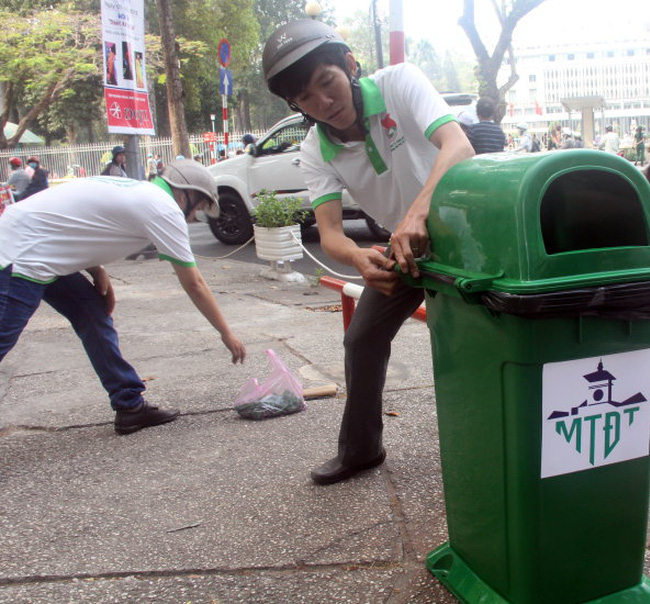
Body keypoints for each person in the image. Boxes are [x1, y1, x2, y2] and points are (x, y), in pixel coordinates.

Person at [263, 20, 474, 485]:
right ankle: (361, 449)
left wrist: (419, 211)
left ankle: (490, 443)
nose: (324, 103)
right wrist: (360, 259)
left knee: (477, 341)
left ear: (349, 65)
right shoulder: (316, 151)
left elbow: (458, 145)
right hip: (406, 250)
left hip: (471, 235)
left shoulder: (400, 83)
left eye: (328, 83)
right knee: (361, 339)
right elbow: (332, 235)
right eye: (306, 98)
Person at [0, 159, 246, 435]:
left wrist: (97, 269)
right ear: (184, 193)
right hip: (19, 255)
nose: (192, 218)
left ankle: (129, 405)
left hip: (34, 244)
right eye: (198, 208)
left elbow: (72, 223)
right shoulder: (163, 207)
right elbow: (195, 284)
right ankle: (128, 402)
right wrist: (226, 333)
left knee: (92, 313)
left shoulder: (138, 191)